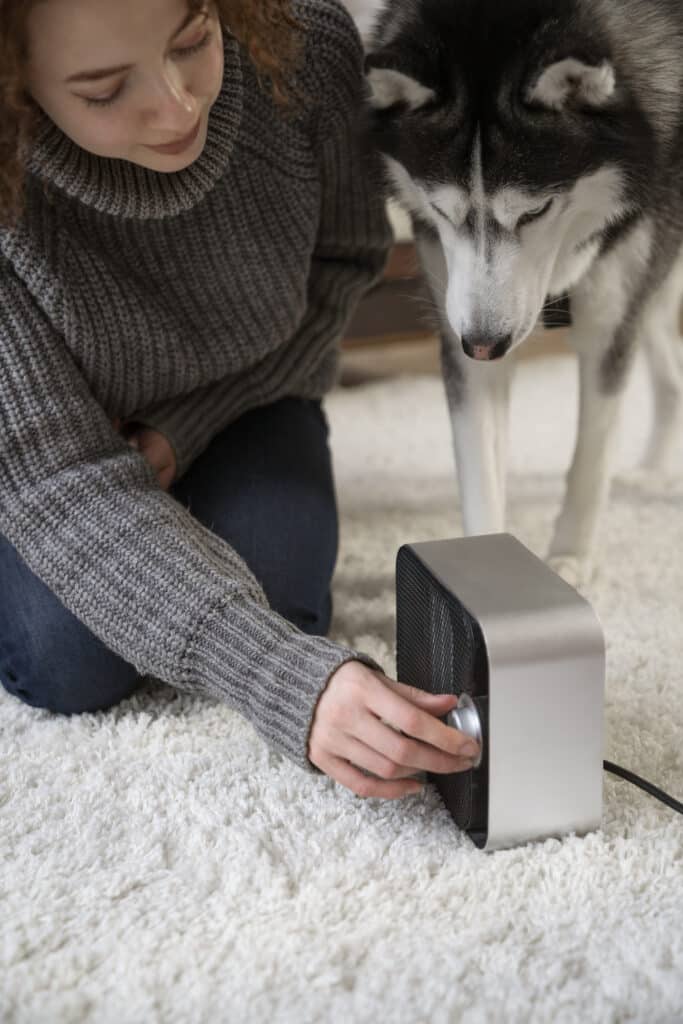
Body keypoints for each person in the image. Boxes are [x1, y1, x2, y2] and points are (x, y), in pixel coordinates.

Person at [0, 0, 480, 800]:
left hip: (251, 393)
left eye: (193, 40)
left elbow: (343, 263)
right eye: (103, 89)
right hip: (59, 445)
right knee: (66, 664)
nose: (176, 103)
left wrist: (182, 430)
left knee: (285, 597)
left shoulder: (305, 48)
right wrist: (282, 680)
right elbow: (57, 478)